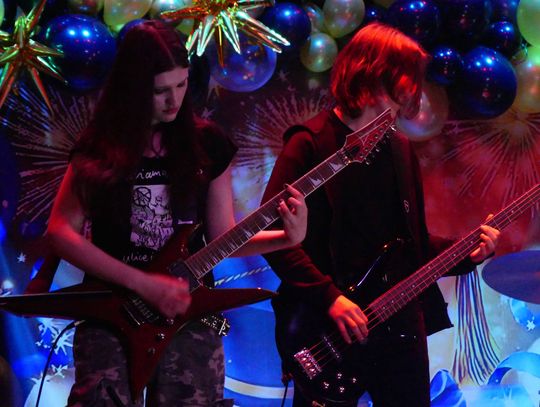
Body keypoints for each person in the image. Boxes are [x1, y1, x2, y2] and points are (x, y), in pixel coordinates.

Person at [45, 20, 307, 406]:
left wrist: (287, 237)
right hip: (113, 311)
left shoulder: (208, 143)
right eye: (160, 91)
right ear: (133, 88)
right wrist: (142, 283)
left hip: (188, 313)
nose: (174, 101)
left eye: (181, 85)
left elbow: (222, 236)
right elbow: (60, 231)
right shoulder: (99, 147)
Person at [261, 23, 500, 407]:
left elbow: (412, 247)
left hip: (399, 326)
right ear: (371, 76)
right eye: (402, 84)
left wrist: (467, 252)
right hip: (326, 328)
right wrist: (329, 298)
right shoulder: (309, 143)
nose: (408, 99)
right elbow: (274, 239)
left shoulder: (399, 149)